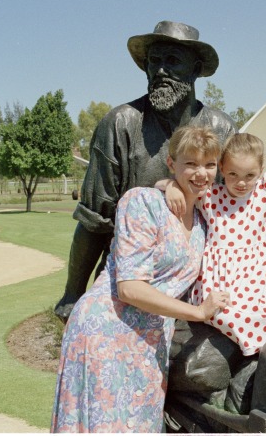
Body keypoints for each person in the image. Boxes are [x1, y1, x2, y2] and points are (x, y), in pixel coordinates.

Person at [54, 21, 238, 321]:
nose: (161, 71)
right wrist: (73, 293)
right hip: (129, 279)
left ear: (195, 69)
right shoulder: (120, 124)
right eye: (154, 61)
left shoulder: (222, 128)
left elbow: (234, 208)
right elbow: (94, 220)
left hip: (197, 281)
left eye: (173, 61)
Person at [51, 126, 230, 433]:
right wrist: (198, 313)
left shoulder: (203, 219)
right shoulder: (142, 202)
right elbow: (130, 288)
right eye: (191, 164)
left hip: (149, 339)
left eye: (209, 165)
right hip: (106, 331)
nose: (201, 173)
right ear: (172, 164)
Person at [158, 132, 266, 355]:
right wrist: (171, 186)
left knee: (259, 312)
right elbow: (166, 182)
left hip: (251, 279)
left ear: (261, 171)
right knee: (222, 313)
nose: (241, 182)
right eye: (233, 174)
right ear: (222, 168)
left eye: (249, 175)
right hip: (217, 280)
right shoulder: (210, 194)